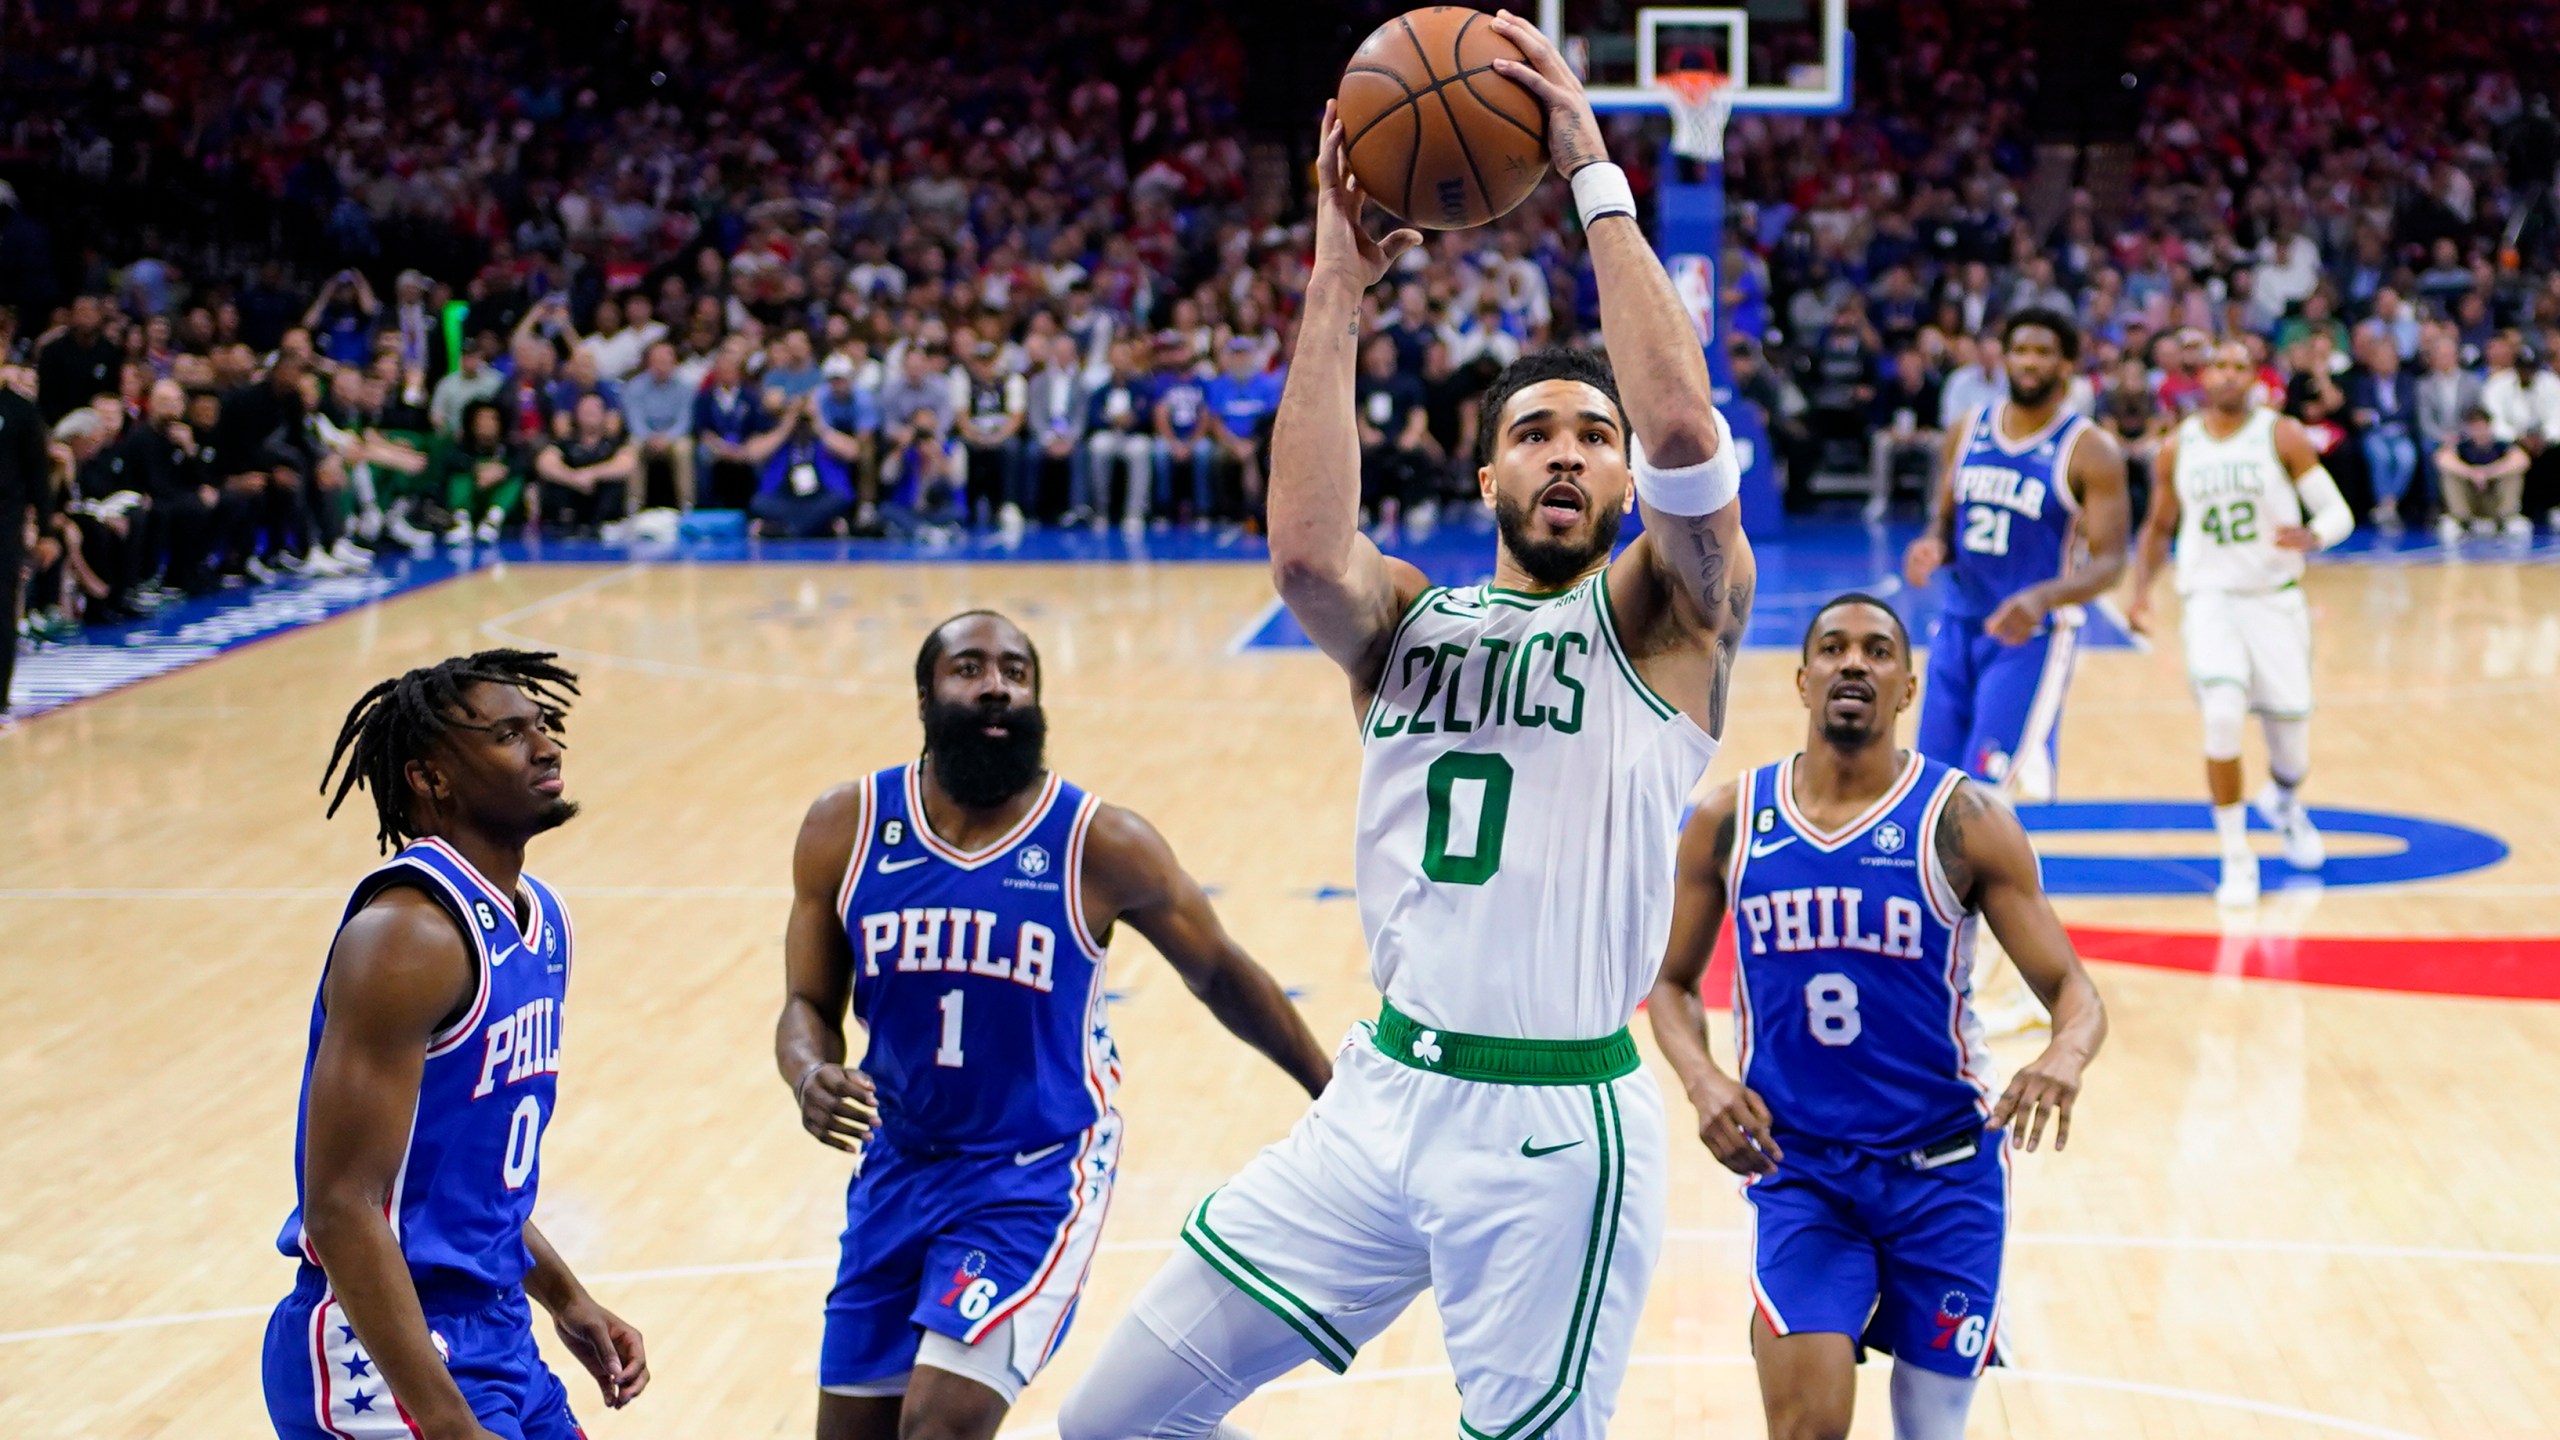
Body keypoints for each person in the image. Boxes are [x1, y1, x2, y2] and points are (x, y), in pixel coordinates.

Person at [1059, 24, 1756, 1432]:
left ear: (1624, 487)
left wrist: (1593, 183)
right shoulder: (1408, 627)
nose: (1569, 450)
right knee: (1110, 1419)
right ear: (1486, 467)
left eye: (1591, 436)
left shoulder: (1670, 623)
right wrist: (1336, 270)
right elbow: (1308, 553)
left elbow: (1686, 431)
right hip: (1379, 1100)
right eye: (1538, 432)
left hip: (1556, 1129)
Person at [778, 611, 1332, 1440]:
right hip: (899, 1164)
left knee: (940, 1424)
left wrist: (1335, 1092)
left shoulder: (1098, 842)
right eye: (969, 667)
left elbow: (1218, 970)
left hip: (1034, 1169)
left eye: (1016, 670)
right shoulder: (846, 826)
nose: (996, 683)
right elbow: (807, 1005)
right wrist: (807, 1072)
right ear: (925, 693)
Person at [1649, 593, 2106, 1440]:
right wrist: (1703, 1079)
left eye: (1876, 651)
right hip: (1803, 1172)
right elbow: (1671, 984)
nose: (1853, 662)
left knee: (1930, 1432)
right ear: (1802, 678)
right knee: (1805, 1430)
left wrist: (2063, 1058)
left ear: (1907, 688)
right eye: (1832, 648)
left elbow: (2075, 991)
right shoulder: (1729, 821)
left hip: (1946, 1174)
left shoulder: (1965, 823)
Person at [263, 650, 648, 1439]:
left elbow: (461, 1182)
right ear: (431, 778)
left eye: (542, 727)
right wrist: (445, 1421)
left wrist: (567, 1298)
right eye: (509, 735)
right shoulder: (407, 935)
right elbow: (339, 1207)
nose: (546, 748)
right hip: (383, 1348)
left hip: (498, 1330)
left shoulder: (539, 921)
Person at [2126, 339, 2355, 907]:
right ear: (2202, 376)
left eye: (2239, 367)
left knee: (2292, 749)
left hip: (2275, 601)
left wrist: (2315, 534)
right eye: (2218, 366)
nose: (2227, 376)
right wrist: (2138, 591)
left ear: (2255, 377)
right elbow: (2158, 527)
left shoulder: (2281, 434)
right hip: (2211, 600)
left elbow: (2338, 512)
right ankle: (2236, 855)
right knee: (2222, 718)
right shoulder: (2177, 446)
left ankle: (2283, 800)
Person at [1902, 308, 2129, 804]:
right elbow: (1945, 516)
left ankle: (2024, 761)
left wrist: (2040, 599)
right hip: (1957, 625)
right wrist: (1933, 545)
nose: (2029, 362)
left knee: (1980, 798)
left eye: (2043, 352)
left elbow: (2112, 562)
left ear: (2067, 364)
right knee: (1929, 785)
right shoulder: (1967, 429)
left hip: (2030, 637)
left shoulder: (2090, 450)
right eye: (2020, 350)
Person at [533, 393, 637, 536]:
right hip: (571, 503)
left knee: (614, 483)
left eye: (595, 409)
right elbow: (545, 463)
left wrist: (592, 474)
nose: (590, 412)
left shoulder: (615, 443)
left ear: (604, 415)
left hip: (603, 511)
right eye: (585, 409)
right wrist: (572, 477)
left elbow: (627, 464)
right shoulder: (566, 442)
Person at [2434, 407, 2534, 540]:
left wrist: (2488, 473)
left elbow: (2522, 460)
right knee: (2450, 476)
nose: (2478, 431)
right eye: (2474, 427)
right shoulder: (2462, 447)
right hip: (2472, 498)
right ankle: (2460, 520)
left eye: (2481, 426)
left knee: (2513, 475)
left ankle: (2507, 518)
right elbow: (2442, 459)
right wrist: (2472, 473)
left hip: (2494, 499)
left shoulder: (2501, 446)